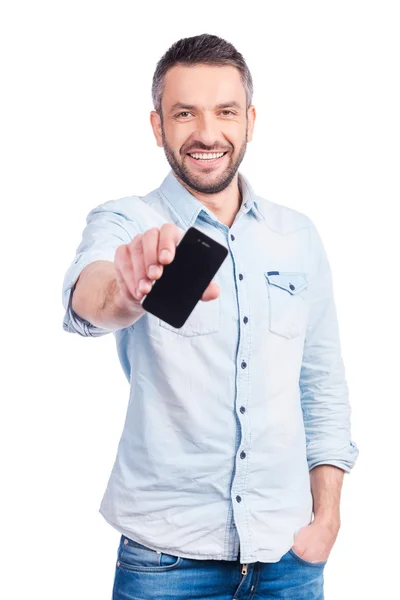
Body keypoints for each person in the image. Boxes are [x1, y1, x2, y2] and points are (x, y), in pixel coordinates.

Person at [62, 33, 359, 600]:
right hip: (166, 563)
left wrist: (326, 521)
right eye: (184, 113)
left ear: (249, 120)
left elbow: (322, 386)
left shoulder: (296, 237)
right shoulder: (128, 221)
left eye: (225, 112)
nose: (206, 133)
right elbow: (90, 296)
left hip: (289, 559)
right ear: (157, 127)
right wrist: (125, 292)